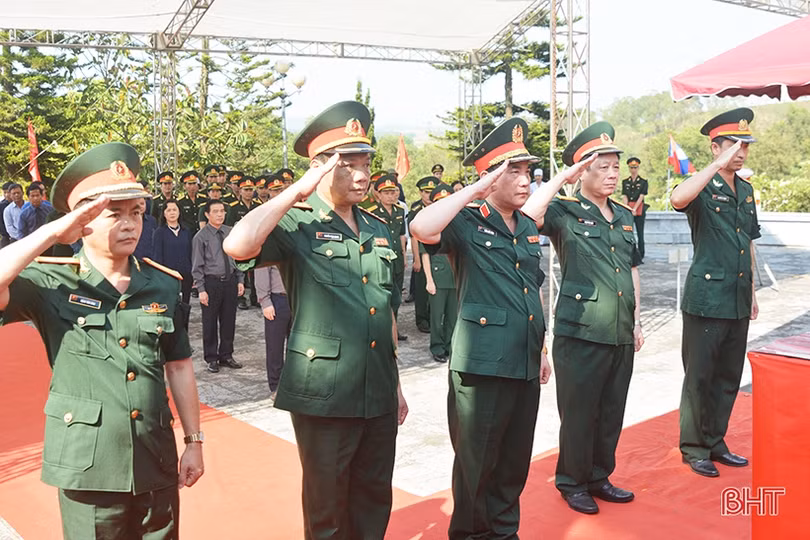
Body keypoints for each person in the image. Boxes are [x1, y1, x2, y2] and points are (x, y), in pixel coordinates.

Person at [223, 101, 408, 540]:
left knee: (373, 498)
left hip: (378, 385)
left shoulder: (378, 228)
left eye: (366, 163)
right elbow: (238, 245)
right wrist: (296, 192)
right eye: (349, 165)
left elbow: (385, 310)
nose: (362, 175)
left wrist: (397, 383)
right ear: (320, 168)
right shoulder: (296, 223)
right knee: (327, 508)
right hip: (324, 389)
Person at [0, 142, 203, 538]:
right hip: (88, 465)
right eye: (114, 214)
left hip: (155, 458)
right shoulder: (51, 281)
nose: (129, 224)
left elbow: (179, 365)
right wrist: (52, 232)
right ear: (82, 221)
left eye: (137, 212)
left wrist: (194, 441)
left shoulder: (161, 284)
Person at [410, 117, 554, 539]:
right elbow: (420, 228)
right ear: (490, 177)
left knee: (513, 460)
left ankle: (504, 532)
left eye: (527, 170)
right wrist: (473, 191)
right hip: (482, 365)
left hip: (524, 359)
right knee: (477, 463)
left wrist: (542, 349)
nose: (525, 180)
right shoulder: (466, 221)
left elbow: (530, 289)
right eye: (514, 171)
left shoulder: (524, 225)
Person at [525, 121, 644, 515]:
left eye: (615, 167)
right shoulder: (564, 211)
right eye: (602, 167)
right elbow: (526, 215)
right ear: (582, 172)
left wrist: (637, 320)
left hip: (620, 329)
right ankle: (572, 482)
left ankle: (598, 476)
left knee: (611, 411)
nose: (612, 175)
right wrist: (562, 178)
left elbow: (631, 268)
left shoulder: (624, 215)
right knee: (579, 413)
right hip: (581, 331)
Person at [670, 108, 760, 478]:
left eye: (746, 145)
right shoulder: (702, 186)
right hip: (707, 298)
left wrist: (752, 290)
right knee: (700, 376)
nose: (741, 152)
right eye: (733, 145)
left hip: (737, 296)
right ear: (715, 148)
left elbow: (748, 241)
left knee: (727, 375)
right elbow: (677, 199)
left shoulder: (746, 190)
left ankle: (715, 440)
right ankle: (694, 447)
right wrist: (715, 167)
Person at [191, 199, 245, 373]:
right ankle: (212, 358)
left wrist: (240, 280)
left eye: (222, 211)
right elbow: (197, 266)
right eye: (215, 211)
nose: (220, 214)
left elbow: (238, 257)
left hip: (230, 281)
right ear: (207, 214)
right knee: (210, 322)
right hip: (211, 282)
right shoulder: (201, 237)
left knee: (229, 320)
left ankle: (226, 355)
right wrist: (201, 289)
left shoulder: (230, 232)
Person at [420, 183, 457, 363]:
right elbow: (425, 254)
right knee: (436, 317)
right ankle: (437, 347)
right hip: (437, 277)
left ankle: (450, 346)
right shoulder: (430, 224)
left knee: (453, 316)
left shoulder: (458, 223)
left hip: (456, 278)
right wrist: (429, 280)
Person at [369, 174, 408, 341]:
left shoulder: (400, 211)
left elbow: (401, 235)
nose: (391, 196)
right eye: (386, 193)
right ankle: (382, 329)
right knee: (381, 295)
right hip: (381, 259)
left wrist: (404, 256)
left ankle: (394, 329)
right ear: (378, 194)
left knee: (396, 297)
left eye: (393, 192)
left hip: (397, 258)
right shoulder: (372, 212)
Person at [409, 176, 437, 332]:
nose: (428, 195)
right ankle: (422, 319)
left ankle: (433, 317)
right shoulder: (416, 210)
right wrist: (416, 259)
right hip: (421, 251)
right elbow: (413, 237)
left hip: (437, 252)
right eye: (426, 192)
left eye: (431, 192)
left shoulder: (440, 206)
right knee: (421, 288)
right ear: (420, 193)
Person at [228, 176, 260, 309]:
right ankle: (240, 298)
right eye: (245, 190)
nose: (248, 192)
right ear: (240, 191)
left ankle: (255, 296)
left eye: (250, 190)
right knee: (240, 270)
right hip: (239, 243)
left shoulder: (258, 206)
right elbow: (229, 227)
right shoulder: (233, 207)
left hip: (254, 242)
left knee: (254, 270)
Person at [153, 199, 194, 306]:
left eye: (174, 210)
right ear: (164, 213)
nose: (172, 213)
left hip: (185, 276)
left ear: (179, 212)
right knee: (170, 307)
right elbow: (157, 257)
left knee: (184, 306)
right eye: (169, 210)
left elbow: (190, 253)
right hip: (168, 277)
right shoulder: (159, 232)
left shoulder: (186, 231)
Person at [621, 157, 649, 261]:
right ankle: (631, 252)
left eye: (635, 167)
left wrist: (635, 209)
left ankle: (641, 254)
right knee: (628, 232)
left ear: (638, 168)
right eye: (631, 167)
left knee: (640, 233)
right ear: (629, 168)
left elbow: (641, 196)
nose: (633, 170)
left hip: (639, 208)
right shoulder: (625, 182)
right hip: (629, 208)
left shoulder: (643, 182)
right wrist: (627, 208)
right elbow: (624, 195)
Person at [0, 181, 13, 246]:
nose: (6, 195)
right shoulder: (1, 206)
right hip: (6, 237)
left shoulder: (22, 205)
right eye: (4, 192)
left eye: (8, 192)